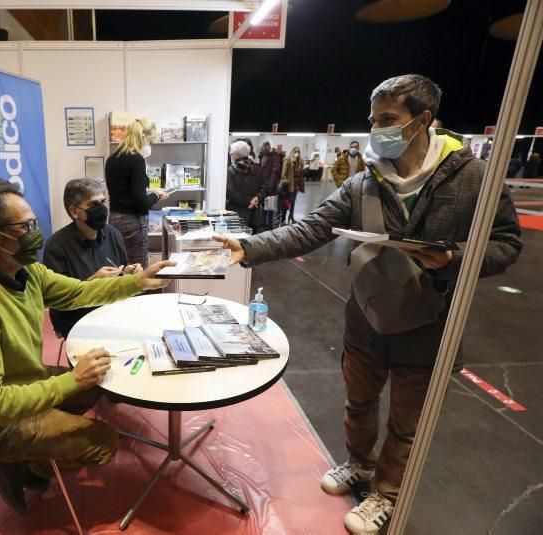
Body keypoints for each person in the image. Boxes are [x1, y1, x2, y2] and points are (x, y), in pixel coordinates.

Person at [214, 74, 521, 534]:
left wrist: (455, 256)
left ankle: (386, 494)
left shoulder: (474, 179)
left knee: (406, 421)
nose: (377, 128)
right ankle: (358, 464)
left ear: (423, 119)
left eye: (388, 119)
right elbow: (312, 228)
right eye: (373, 119)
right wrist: (249, 247)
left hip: (429, 323)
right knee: (358, 404)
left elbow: (507, 242)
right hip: (367, 316)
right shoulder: (365, 181)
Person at [0, 178, 173, 513]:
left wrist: (135, 282)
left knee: (104, 381)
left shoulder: (25, 270)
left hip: (24, 383)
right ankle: (26, 469)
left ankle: (39, 446)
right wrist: (71, 381)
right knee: (104, 443)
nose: (36, 231)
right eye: (26, 225)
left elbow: (76, 292)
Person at [43, 179, 142, 338]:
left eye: (103, 202)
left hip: (112, 309)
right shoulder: (56, 246)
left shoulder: (113, 234)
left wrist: (129, 272)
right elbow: (57, 300)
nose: (102, 209)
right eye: (93, 204)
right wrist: (92, 282)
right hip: (76, 318)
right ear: (75, 211)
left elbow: (122, 270)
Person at [106, 118, 169, 268]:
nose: (150, 146)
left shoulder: (113, 157)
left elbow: (125, 190)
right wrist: (156, 195)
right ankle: (141, 293)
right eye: (150, 141)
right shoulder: (136, 159)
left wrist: (148, 192)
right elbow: (141, 202)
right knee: (138, 269)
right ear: (144, 138)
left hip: (115, 218)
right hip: (132, 220)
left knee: (121, 266)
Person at [226, 140, 265, 230]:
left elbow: (231, 192)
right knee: (252, 242)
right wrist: (256, 198)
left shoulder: (231, 171)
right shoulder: (256, 168)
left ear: (237, 155)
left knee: (237, 242)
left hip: (236, 214)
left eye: (232, 153)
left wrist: (250, 201)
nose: (230, 155)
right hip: (253, 215)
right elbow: (265, 187)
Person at [259, 141, 283, 229]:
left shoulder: (275, 156)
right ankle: (263, 223)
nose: (261, 150)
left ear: (266, 147)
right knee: (264, 205)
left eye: (262, 148)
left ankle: (269, 225)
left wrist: (270, 185)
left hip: (270, 186)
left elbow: (275, 172)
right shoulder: (263, 156)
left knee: (270, 206)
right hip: (264, 185)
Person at [282, 146, 305, 223]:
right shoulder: (288, 160)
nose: (297, 153)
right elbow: (284, 173)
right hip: (289, 185)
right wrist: (285, 180)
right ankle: (283, 217)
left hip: (296, 185)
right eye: (295, 151)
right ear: (292, 152)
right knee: (287, 201)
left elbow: (301, 173)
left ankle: (291, 216)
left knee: (293, 202)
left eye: (298, 152)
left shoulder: (300, 162)